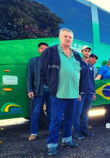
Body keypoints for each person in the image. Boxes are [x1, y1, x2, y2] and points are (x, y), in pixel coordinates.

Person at [40, 28, 81, 156]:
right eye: (65, 36)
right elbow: (42, 71)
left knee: (69, 119)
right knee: (55, 119)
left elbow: (79, 73)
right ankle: (52, 145)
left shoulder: (76, 54)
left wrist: (79, 91)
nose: (68, 38)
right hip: (58, 93)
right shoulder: (50, 51)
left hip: (73, 94)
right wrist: (51, 85)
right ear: (59, 37)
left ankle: (67, 140)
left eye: (70, 37)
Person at [27, 42, 50, 141]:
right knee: (35, 112)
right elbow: (29, 77)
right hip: (39, 90)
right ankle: (33, 133)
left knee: (51, 111)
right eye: (42, 48)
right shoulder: (33, 61)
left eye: (46, 48)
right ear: (39, 50)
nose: (44, 50)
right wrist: (29, 90)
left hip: (51, 91)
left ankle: (51, 130)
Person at [74, 46, 96, 140]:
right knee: (77, 113)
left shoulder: (91, 66)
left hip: (89, 93)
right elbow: (75, 79)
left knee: (86, 113)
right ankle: (77, 132)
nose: (87, 52)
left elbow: (92, 80)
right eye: (85, 51)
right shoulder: (78, 64)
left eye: (88, 51)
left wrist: (93, 92)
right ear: (82, 52)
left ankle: (84, 130)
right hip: (81, 93)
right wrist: (77, 92)